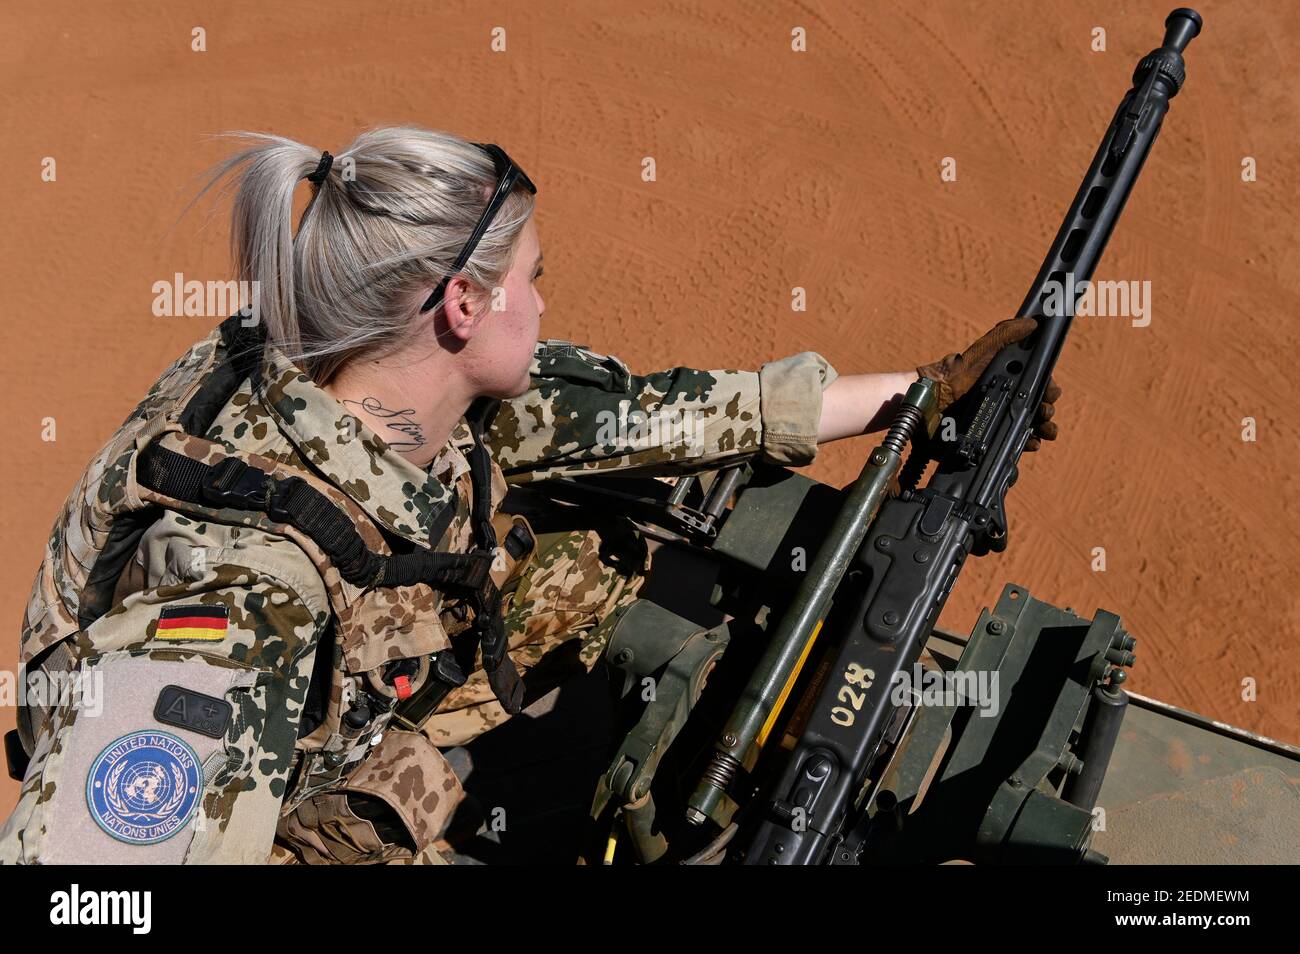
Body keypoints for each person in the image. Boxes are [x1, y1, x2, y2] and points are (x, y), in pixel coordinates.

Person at [0, 126, 1058, 864]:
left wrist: (916, 395)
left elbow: (652, 415)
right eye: (533, 276)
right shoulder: (233, 614)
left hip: (328, 706)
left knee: (601, 532)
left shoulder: (351, 352)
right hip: (261, 774)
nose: (546, 302)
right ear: (458, 303)